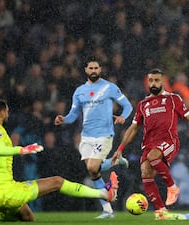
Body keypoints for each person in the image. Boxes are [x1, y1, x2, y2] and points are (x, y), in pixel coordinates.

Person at [0, 98, 118, 223]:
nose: (8, 114)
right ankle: (103, 194)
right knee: (57, 182)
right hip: (7, 192)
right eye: (8, 111)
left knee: (27, 216)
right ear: (3, 112)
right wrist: (22, 149)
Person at [111, 68, 189, 219]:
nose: (153, 83)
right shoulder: (143, 104)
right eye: (151, 80)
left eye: (157, 80)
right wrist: (120, 148)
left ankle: (172, 187)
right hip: (149, 143)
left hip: (168, 140)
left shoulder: (173, 99)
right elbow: (133, 129)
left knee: (153, 156)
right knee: (145, 171)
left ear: (163, 82)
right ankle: (161, 210)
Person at [54, 56, 133, 218]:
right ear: (85, 70)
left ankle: (116, 161)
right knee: (94, 173)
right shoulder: (79, 91)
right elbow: (73, 115)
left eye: (96, 68)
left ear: (100, 70)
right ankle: (107, 211)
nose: (94, 71)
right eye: (91, 68)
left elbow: (128, 106)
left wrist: (123, 116)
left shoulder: (109, 87)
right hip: (86, 137)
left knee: (92, 167)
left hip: (104, 134)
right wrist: (64, 119)